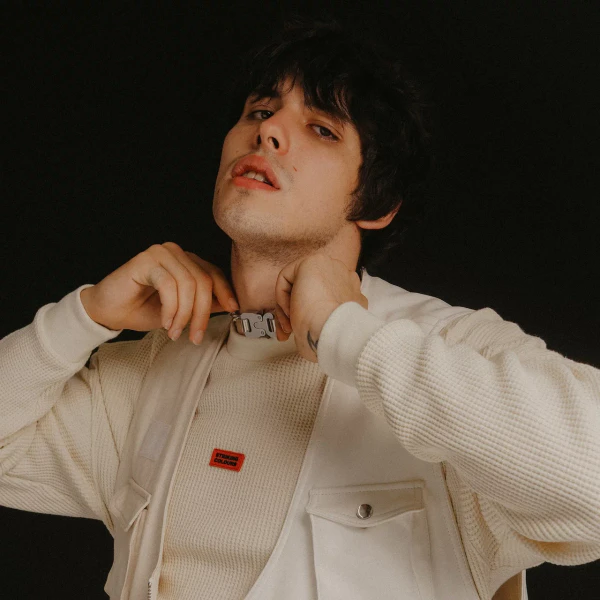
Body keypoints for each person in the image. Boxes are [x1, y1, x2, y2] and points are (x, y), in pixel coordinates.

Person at [2, 17, 599, 600]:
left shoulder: (449, 345)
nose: (268, 131)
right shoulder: (156, 369)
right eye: (259, 111)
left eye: (321, 129)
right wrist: (86, 316)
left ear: (377, 203)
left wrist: (349, 336)